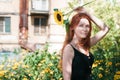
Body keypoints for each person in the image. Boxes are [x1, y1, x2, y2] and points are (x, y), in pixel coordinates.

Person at [61, 7, 109, 80]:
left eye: (87, 26)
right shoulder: (69, 49)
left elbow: (105, 29)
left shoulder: (86, 44)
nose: (85, 29)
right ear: (72, 27)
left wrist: (88, 14)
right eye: (81, 25)